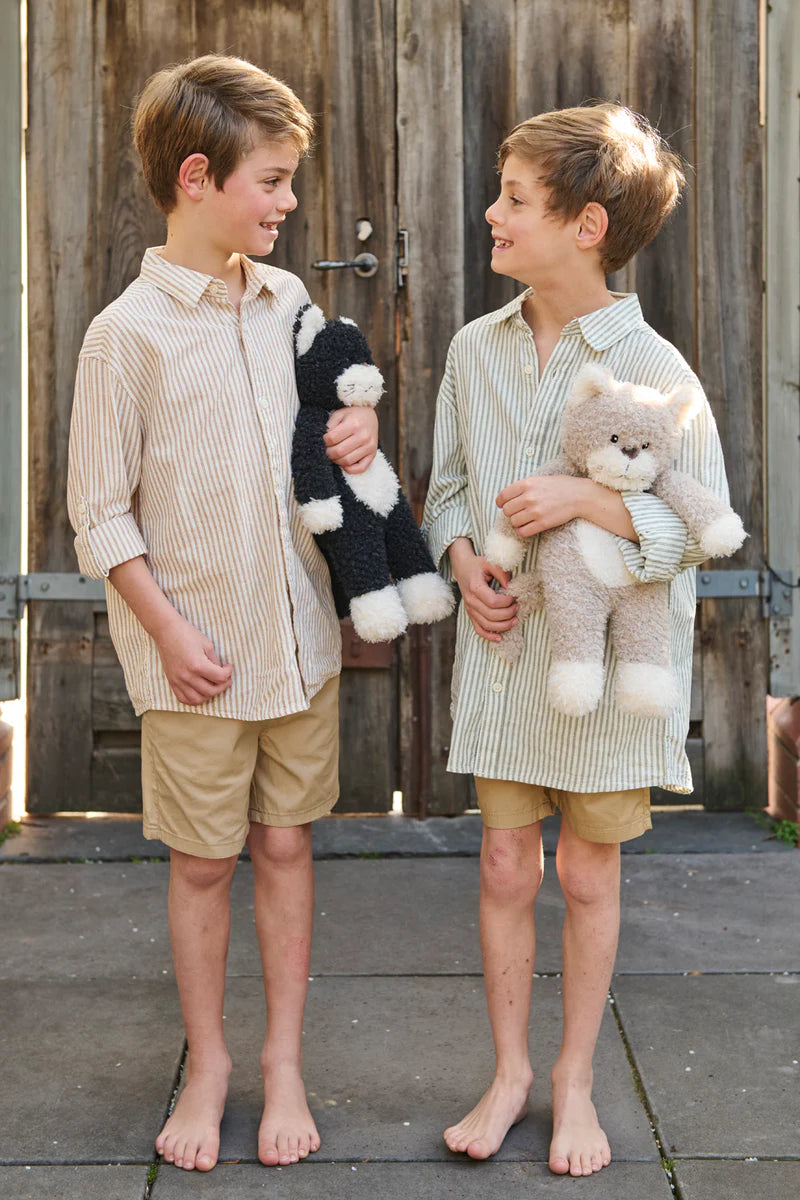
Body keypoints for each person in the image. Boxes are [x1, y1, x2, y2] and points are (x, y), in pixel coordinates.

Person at [67, 55, 379, 1174]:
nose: (289, 202)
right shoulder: (125, 335)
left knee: (286, 844)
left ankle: (282, 1061)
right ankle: (208, 1064)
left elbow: (328, 440)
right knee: (203, 862)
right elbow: (97, 513)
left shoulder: (289, 303)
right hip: (197, 657)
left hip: (298, 644)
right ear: (198, 178)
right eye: (273, 181)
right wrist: (165, 628)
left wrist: (359, 437)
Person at [423, 103, 732, 1177]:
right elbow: (447, 491)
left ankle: (574, 1080)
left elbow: (696, 532)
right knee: (505, 863)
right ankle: (509, 1073)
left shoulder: (656, 367)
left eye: (514, 198)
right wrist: (464, 565)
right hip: (509, 662)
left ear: (586, 226)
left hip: (605, 680)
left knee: (589, 877)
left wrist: (583, 500)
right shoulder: (474, 350)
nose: (491, 212)